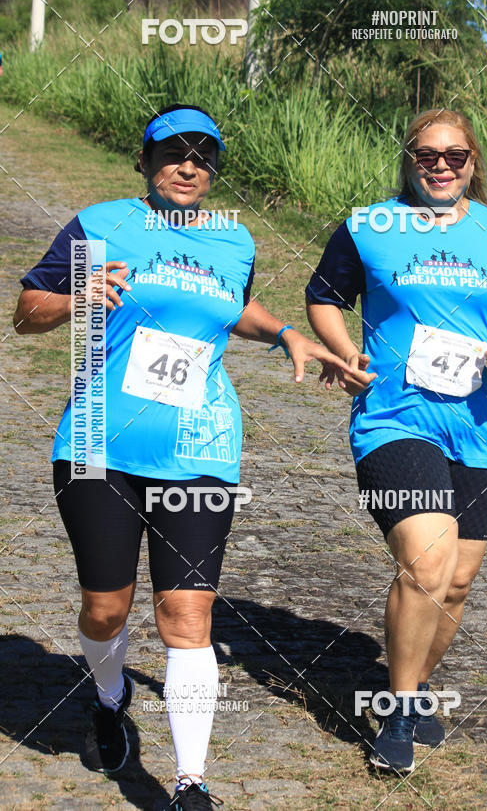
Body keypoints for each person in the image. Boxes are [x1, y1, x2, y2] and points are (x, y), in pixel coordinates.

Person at [13, 103, 352, 810]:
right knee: (106, 611)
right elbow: (26, 311)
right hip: (99, 448)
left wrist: (285, 332)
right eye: (173, 153)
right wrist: (76, 297)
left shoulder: (234, 239)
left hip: (201, 448)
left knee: (186, 615)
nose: (188, 166)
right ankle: (109, 697)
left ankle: (191, 783)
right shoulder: (99, 224)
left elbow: (236, 306)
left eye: (203, 156)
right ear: (145, 160)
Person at [305, 108, 487, 774]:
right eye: (427, 155)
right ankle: (399, 704)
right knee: (426, 560)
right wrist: (343, 351)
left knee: (457, 582)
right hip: (396, 417)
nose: (440, 165)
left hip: (484, 427)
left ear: (474, 161)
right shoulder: (370, 226)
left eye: (455, 155)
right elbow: (324, 296)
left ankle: (409, 692)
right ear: (409, 159)